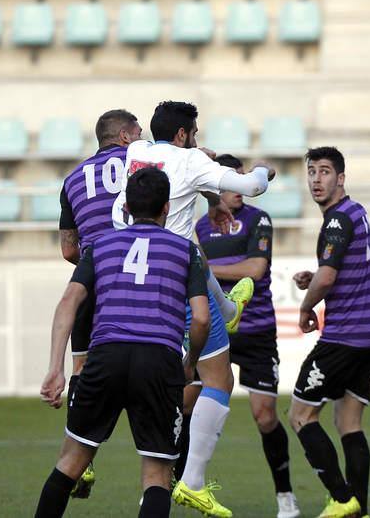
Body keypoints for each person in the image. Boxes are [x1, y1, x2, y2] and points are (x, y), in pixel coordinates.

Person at [111, 100, 276, 517]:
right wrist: (261, 170)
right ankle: (193, 482)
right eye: (195, 134)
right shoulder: (188, 159)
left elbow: (180, 172)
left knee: (169, 391)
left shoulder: (137, 153)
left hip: (132, 282)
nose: (197, 141)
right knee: (217, 380)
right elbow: (251, 188)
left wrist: (210, 198)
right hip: (176, 281)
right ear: (184, 135)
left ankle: (154, 484)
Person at [35, 168, 211, 518]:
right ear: (166, 208)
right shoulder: (186, 251)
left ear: (126, 207)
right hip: (159, 361)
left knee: (71, 462)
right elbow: (202, 317)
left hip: (106, 356)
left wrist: (56, 368)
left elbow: (68, 303)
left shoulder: (100, 245)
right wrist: (190, 362)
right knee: (157, 475)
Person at [194, 154, 300, 518]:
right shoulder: (197, 227)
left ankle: (285, 495)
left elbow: (255, 269)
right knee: (187, 407)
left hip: (254, 328)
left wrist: (204, 269)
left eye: (241, 179)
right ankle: (179, 483)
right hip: (212, 329)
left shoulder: (259, 219)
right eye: (231, 180)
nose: (239, 187)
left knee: (265, 417)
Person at [289, 147, 370, 518]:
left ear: (341, 178)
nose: (316, 179)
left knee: (300, 415)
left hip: (344, 337)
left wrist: (305, 306)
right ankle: (358, 509)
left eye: (325, 171)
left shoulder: (336, 220)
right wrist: (311, 277)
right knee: (349, 422)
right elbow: (335, 272)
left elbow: (329, 278)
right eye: (312, 171)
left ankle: (341, 496)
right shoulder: (356, 213)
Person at [57, 108, 142, 497]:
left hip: (92, 277)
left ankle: (81, 464)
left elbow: (67, 248)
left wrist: (92, 259)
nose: (141, 137)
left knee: (82, 367)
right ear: (125, 136)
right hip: (140, 277)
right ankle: (169, 468)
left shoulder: (72, 179)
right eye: (138, 132)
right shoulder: (141, 161)